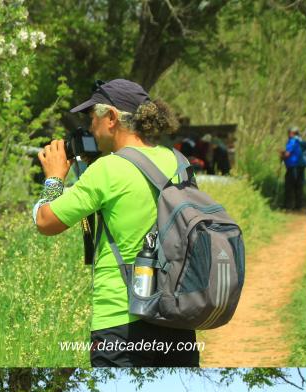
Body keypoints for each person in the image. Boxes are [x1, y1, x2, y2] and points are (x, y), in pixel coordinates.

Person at [34, 78, 199, 367]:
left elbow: (46, 221)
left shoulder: (109, 169)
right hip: (177, 318)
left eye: (91, 118)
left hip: (120, 324)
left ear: (110, 117)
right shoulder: (179, 162)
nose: (90, 129)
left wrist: (53, 179)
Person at [281, 126, 304, 210]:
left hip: (292, 166)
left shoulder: (292, 141)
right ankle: (298, 206)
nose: (288, 134)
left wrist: (282, 155)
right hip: (300, 166)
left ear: (293, 133)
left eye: (289, 132)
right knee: (298, 185)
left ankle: (288, 206)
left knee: (289, 186)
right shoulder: (300, 140)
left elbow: (287, 154)